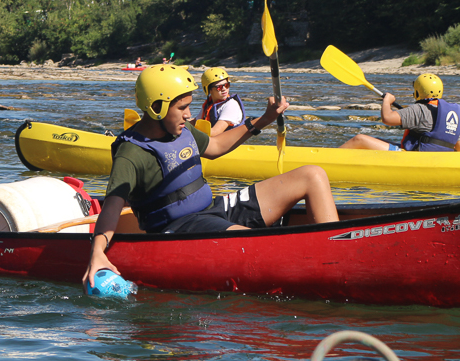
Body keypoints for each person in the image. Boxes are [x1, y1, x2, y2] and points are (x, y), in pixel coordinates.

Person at [83, 64, 338, 289]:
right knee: (253, 243)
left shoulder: (180, 129)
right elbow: (112, 207)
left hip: (214, 210)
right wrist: (97, 253)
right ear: (157, 107)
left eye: (189, 106)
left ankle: (336, 256)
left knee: (312, 175)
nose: (188, 114)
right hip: (181, 229)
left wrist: (264, 120)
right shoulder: (131, 152)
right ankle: (322, 267)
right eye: (182, 107)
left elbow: (216, 147)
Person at [339, 74, 460, 151]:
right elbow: (458, 144)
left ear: (417, 92)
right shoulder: (456, 111)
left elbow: (387, 118)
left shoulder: (420, 109)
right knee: (377, 140)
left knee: (359, 140)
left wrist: (387, 101)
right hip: (438, 158)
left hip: (415, 158)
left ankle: (326, 165)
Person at [199, 67, 246, 137]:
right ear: (209, 90)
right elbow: (195, 122)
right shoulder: (209, 104)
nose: (224, 89)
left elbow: (215, 132)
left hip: (229, 145)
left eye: (227, 85)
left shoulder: (231, 105)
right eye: (219, 87)